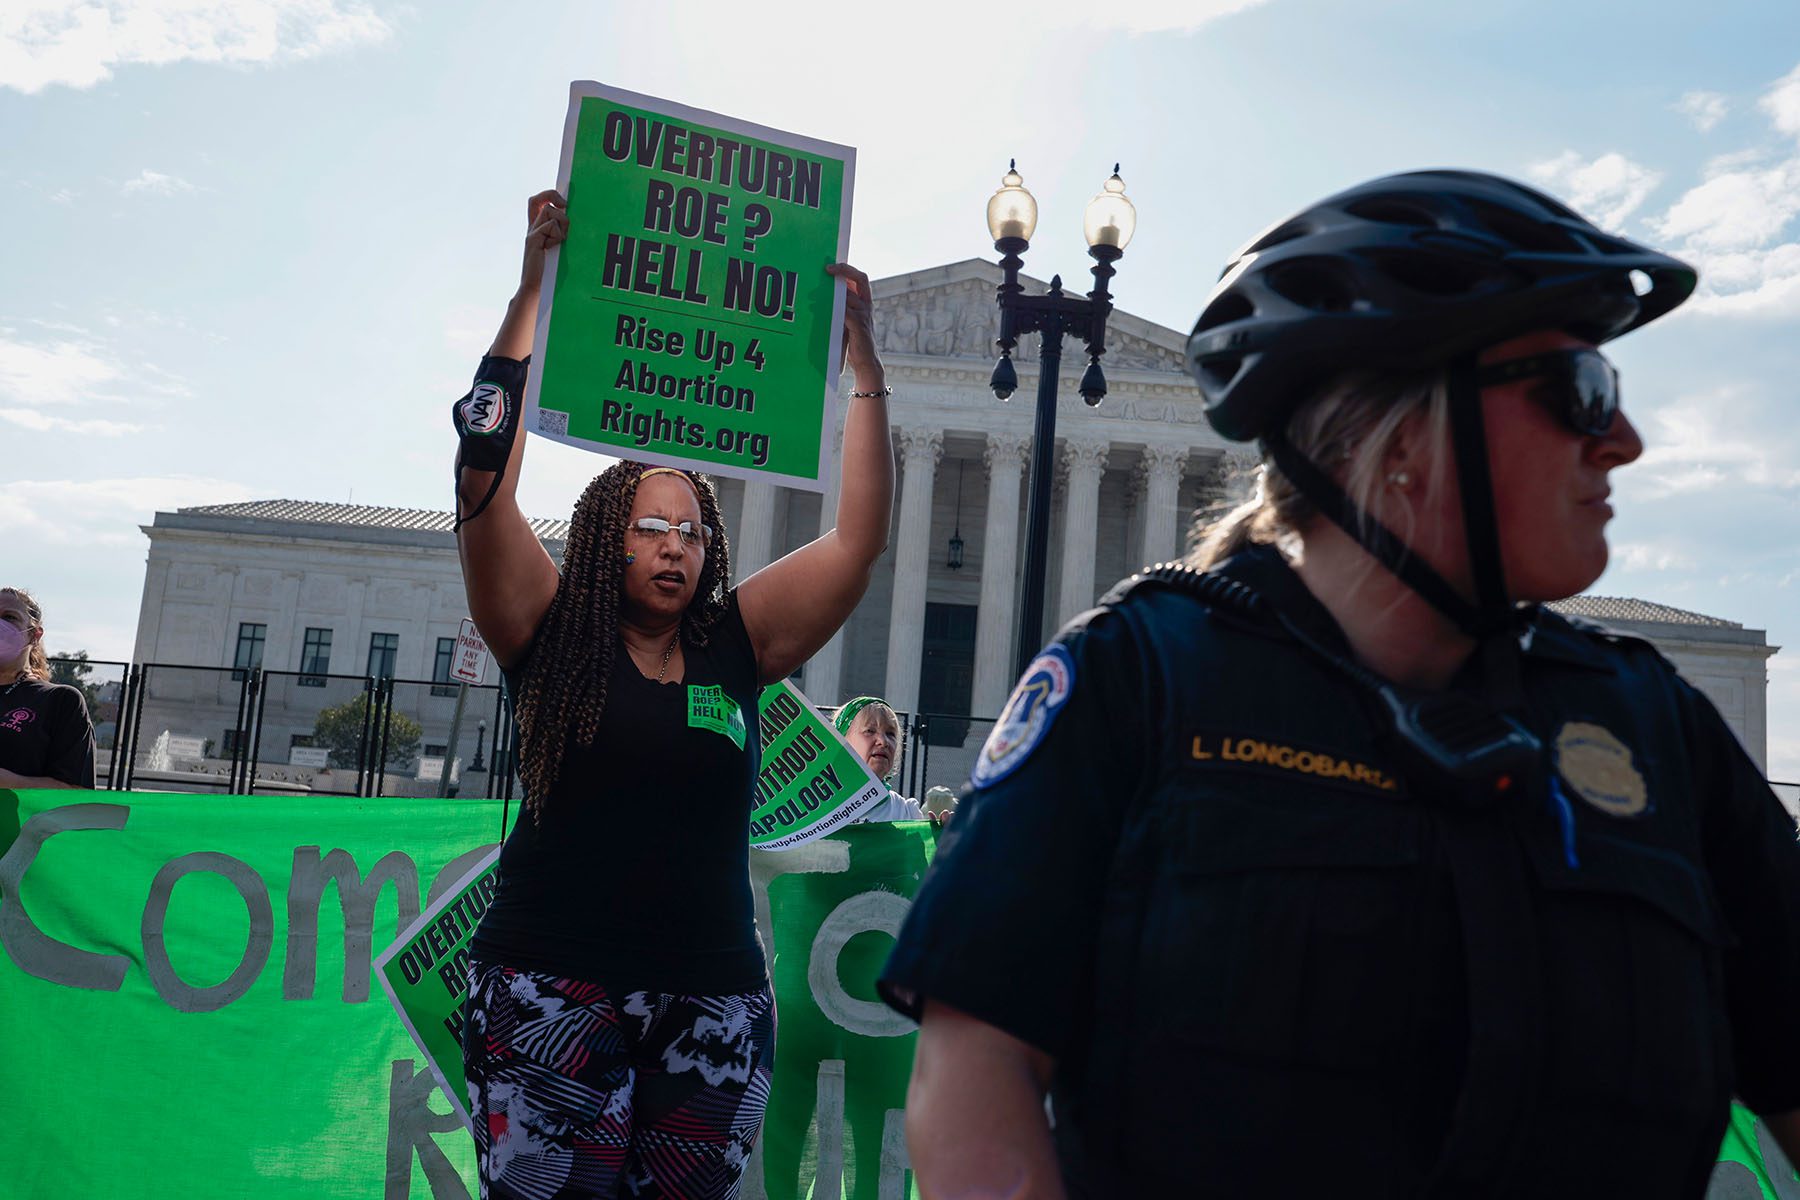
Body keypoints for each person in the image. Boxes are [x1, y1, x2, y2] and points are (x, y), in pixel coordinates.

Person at [880, 171, 1800, 1198]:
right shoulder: (1143, 680)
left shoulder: (1652, 725)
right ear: (1401, 440)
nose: (1623, 441)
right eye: (1579, 393)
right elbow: (977, 1080)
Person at [453, 189, 894, 1199]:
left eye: (693, 531)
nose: (675, 546)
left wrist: (866, 378)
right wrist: (531, 294)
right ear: (610, 532)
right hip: (549, 988)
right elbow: (483, 480)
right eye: (652, 526)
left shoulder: (737, 643)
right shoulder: (545, 626)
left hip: (712, 1007)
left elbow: (859, 541)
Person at [0, 586, 96, 790]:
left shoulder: (60, 700)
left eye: (9, 617)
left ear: (34, 635)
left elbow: (76, 792)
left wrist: (6, 782)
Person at [835, 695, 937, 823]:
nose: (883, 742)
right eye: (870, 731)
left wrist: (946, 837)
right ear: (841, 742)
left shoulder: (906, 814)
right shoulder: (812, 813)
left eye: (890, 734)